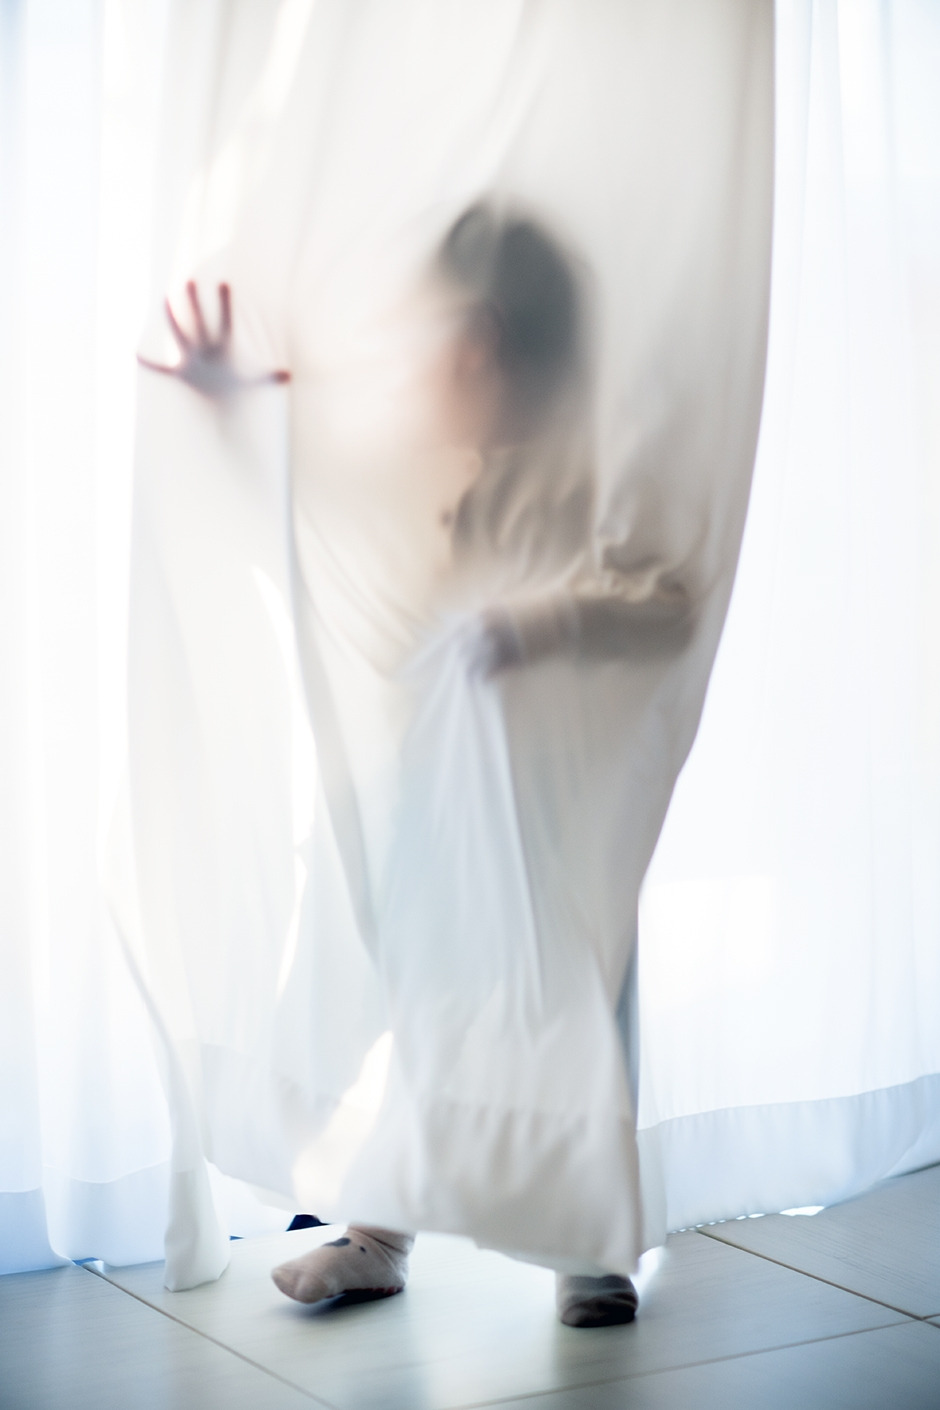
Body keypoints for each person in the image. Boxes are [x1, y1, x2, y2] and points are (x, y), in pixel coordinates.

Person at [140, 203, 691, 1328]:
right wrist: (233, 403)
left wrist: (537, 625)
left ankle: (586, 1242)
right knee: (408, 993)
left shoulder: (582, 475)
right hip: (425, 789)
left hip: (555, 810)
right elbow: (317, 502)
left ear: (490, 345)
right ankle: (379, 1228)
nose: (429, 365)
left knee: (571, 1009)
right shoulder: (429, 455)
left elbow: (666, 603)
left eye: (446, 341)